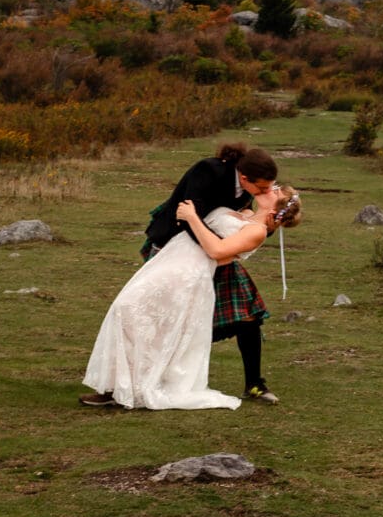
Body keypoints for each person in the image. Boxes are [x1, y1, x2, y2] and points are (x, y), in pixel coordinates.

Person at [80, 186, 301, 411]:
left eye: (276, 192)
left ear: (275, 212)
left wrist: (191, 216)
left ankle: (252, 383)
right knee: (139, 314)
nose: (270, 188)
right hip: (178, 258)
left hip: (196, 268)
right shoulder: (242, 204)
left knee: (239, 320)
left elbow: (219, 251)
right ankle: (121, 385)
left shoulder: (256, 229)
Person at [141, 143, 280, 405]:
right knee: (163, 318)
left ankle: (254, 385)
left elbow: (242, 224)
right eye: (262, 188)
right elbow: (187, 217)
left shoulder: (247, 192)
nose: (266, 192)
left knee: (248, 316)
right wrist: (216, 248)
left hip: (215, 255)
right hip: (176, 248)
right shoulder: (208, 172)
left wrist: (266, 221)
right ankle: (143, 378)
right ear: (244, 177)